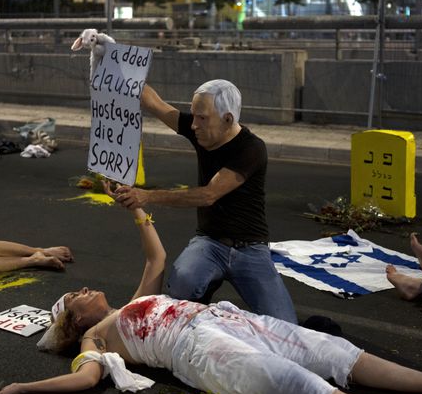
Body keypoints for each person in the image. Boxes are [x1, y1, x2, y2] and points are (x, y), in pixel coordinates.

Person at [0, 189, 422, 394]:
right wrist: (24, 388)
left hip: (223, 319)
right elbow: (85, 380)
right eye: (77, 298)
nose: (86, 290)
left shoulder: (137, 301)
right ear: (75, 321)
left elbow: (156, 255)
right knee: (288, 381)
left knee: (326, 348)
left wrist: (139, 210)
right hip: (198, 350)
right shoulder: (98, 339)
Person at [112, 79, 297, 323]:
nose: (194, 125)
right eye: (194, 115)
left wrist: (146, 196)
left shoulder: (251, 149)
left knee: (285, 324)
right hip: (210, 242)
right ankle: (201, 302)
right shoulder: (202, 129)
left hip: (250, 248)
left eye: (202, 118)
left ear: (228, 119)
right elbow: (154, 103)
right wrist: (115, 63)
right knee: (180, 289)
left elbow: (208, 194)